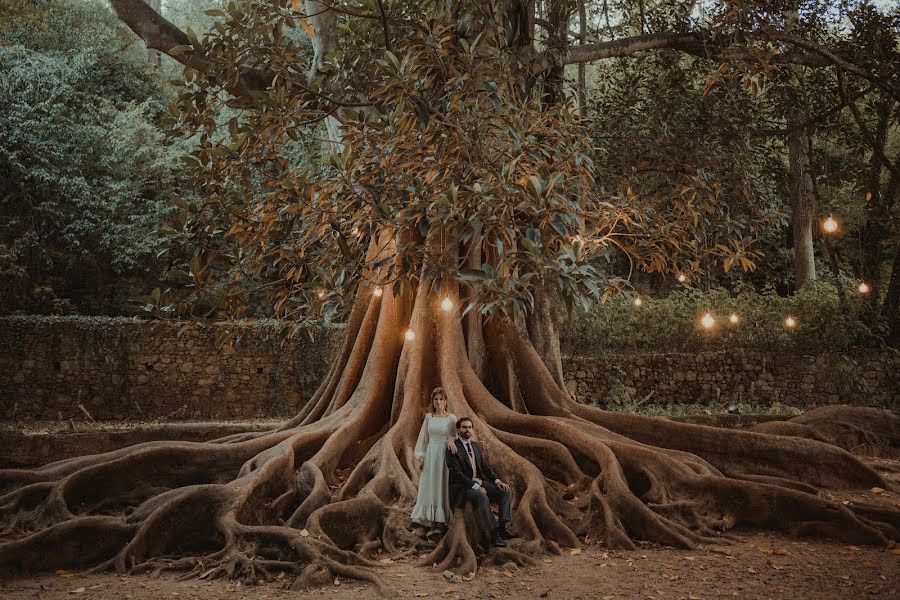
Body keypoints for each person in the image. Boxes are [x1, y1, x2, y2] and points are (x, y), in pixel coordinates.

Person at [446, 417, 513, 547]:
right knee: (482, 496)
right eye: (464, 427)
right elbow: (456, 473)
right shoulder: (453, 448)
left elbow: (485, 466)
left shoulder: (475, 446)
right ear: (458, 429)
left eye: (470, 427)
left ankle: (503, 528)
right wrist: (476, 486)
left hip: (479, 482)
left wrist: (497, 481)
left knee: (506, 491)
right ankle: (494, 534)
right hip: (462, 487)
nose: (467, 430)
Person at [411, 388, 458, 531]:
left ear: (445, 401)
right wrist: (422, 457)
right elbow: (424, 438)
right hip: (431, 453)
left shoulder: (451, 418)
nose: (438, 402)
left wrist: (451, 441)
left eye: (441, 399)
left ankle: (441, 519)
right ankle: (429, 518)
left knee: (441, 482)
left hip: (444, 454)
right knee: (430, 482)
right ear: (433, 401)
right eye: (436, 399)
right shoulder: (429, 417)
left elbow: (454, 436)